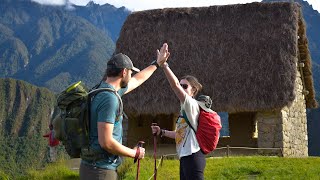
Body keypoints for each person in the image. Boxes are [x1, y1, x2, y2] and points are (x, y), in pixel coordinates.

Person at [80, 43, 170, 180]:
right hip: (101, 171)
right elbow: (106, 142)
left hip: (91, 166)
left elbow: (137, 79)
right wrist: (135, 153)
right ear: (124, 72)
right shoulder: (109, 99)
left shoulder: (100, 90)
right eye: (130, 71)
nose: (131, 74)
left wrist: (156, 64)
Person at [151, 62, 211, 180]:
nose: (182, 88)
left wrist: (164, 66)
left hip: (193, 157)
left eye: (185, 86)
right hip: (185, 158)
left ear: (193, 90)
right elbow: (180, 135)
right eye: (181, 85)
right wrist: (161, 132)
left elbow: (175, 85)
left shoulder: (191, 105)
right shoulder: (184, 110)